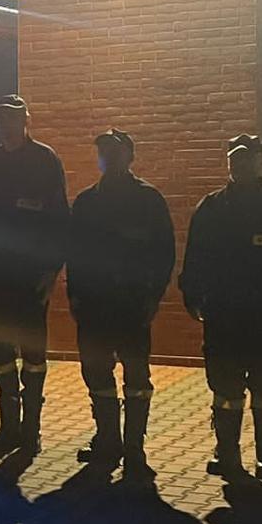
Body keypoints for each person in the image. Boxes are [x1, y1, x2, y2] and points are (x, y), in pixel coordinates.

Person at [180, 134, 262, 482]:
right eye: (235, 159)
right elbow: (194, 257)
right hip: (223, 315)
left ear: (260, 162)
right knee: (225, 388)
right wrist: (192, 296)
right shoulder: (211, 208)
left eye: (248, 158)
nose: (240, 165)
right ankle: (227, 452)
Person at [65, 129, 174, 480]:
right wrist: (75, 297)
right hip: (95, 305)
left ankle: (134, 447)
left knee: (137, 377)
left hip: (132, 305)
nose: (109, 158)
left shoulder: (148, 200)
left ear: (130, 156)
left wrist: (152, 297)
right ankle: (108, 440)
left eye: (115, 152)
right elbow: (74, 254)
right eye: (103, 152)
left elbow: (164, 254)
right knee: (97, 374)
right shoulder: (86, 202)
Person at [0, 94, 70, 455]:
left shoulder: (45, 161)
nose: (5, 125)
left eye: (12, 118)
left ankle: (31, 431)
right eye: (1, 119)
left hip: (30, 277)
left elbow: (60, 219)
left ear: (26, 120)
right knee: (0, 355)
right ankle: (8, 428)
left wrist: (52, 270)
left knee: (32, 354)